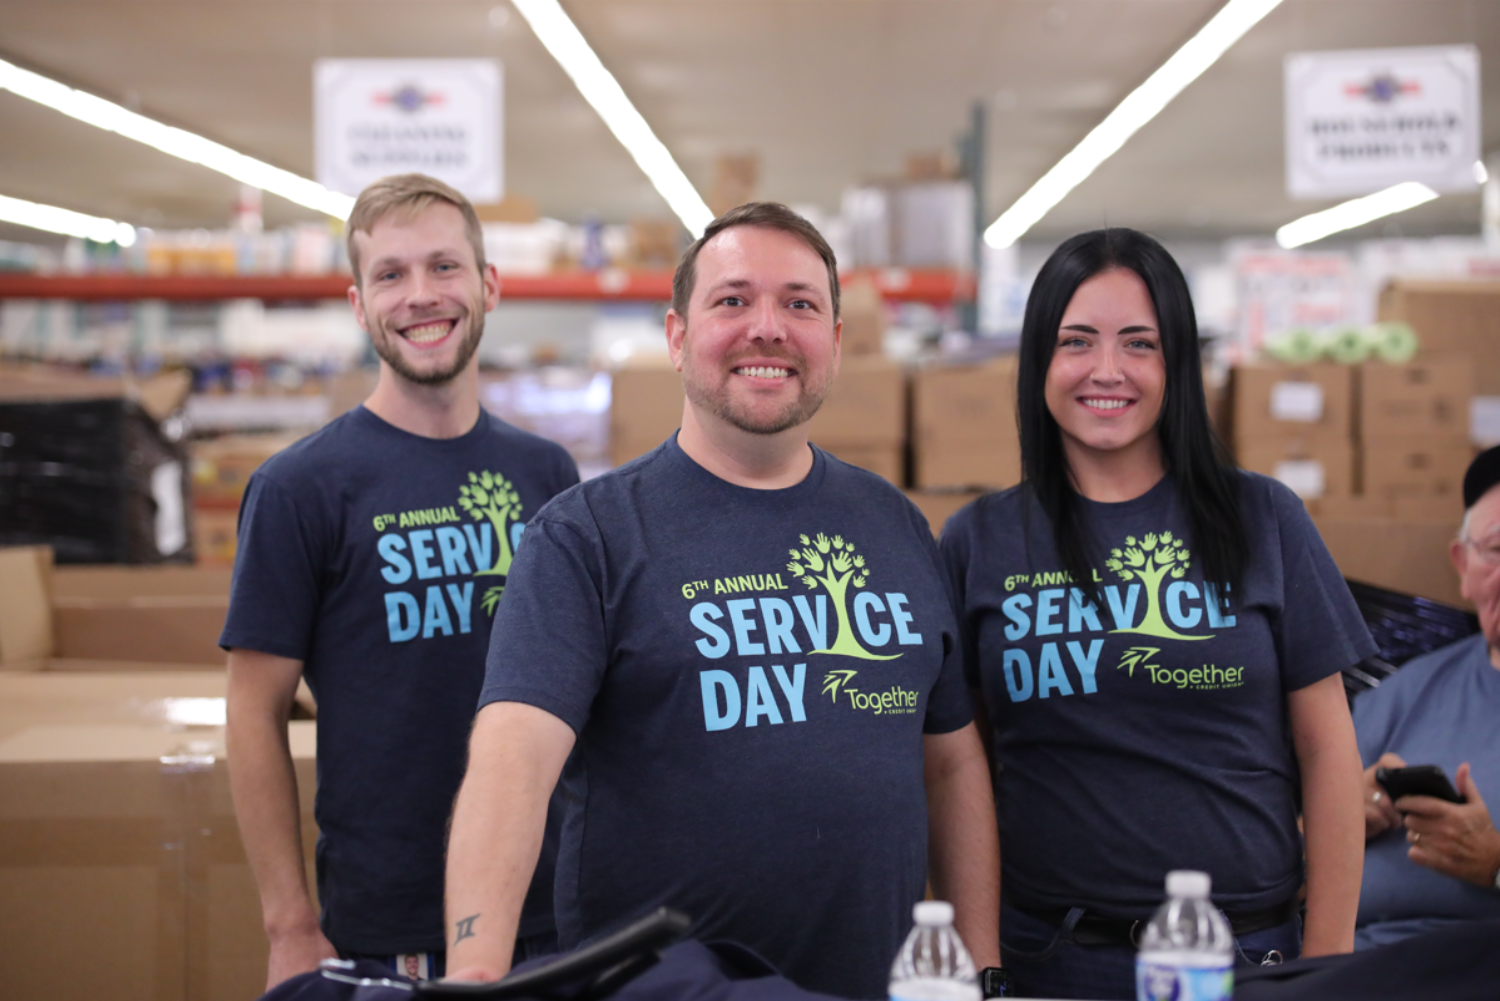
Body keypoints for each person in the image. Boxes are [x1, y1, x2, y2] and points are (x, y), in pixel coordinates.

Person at [443, 202, 1000, 999]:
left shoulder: (896, 525)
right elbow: (513, 762)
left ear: (836, 344)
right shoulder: (587, 537)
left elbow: (949, 764)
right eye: (732, 300)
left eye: (800, 304)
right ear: (677, 336)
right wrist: (476, 968)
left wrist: (982, 973)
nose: (767, 328)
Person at [939, 228, 1372, 1001]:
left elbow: (1329, 751)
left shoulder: (1262, 517)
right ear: (1040, 357)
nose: (1107, 370)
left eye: (1139, 343)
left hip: (1248, 957)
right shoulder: (981, 539)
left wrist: (1329, 962)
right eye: (1078, 342)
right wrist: (979, 965)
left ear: (1177, 362)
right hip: (1049, 961)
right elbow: (955, 767)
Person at [222, 173, 579, 988]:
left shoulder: (546, 471)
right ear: (359, 304)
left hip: (549, 908)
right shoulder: (299, 488)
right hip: (390, 925)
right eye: (391, 274)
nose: (421, 296)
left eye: (444, 267)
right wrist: (288, 923)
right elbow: (253, 709)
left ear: (488, 285)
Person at [1353, 444, 1500, 949]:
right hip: (1348, 964)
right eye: (1498, 549)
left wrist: (1495, 864)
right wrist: (1339, 825)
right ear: (1463, 564)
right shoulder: (1405, 694)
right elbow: (1281, 867)